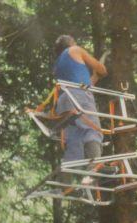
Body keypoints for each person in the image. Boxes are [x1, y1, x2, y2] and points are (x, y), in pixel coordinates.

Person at [53, 35, 108, 186]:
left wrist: (94, 77)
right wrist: (101, 70)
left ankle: (67, 180)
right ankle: (94, 169)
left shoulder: (58, 63)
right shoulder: (75, 50)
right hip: (79, 95)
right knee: (92, 129)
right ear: (71, 43)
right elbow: (101, 68)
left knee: (74, 139)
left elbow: (85, 82)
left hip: (64, 100)